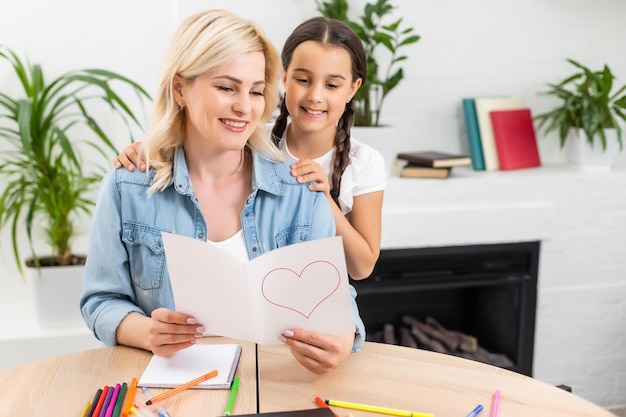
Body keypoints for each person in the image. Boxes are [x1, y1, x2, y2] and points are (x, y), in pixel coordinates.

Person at [80, 9, 364, 375]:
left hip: (280, 388)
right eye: (226, 87)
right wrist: (147, 331)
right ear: (181, 88)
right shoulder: (128, 187)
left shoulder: (301, 192)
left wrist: (340, 338)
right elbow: (101, 300)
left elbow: (337, 299)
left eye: (257, 91)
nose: (245, 107)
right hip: (174, 395)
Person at [114, 16, 385, 280]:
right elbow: (202, 147)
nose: (315, 96)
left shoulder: (364, 162)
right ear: (283, 78)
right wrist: (154, 149)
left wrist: (323, 198)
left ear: (352, 89)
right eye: (303, 80)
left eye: (332, 85)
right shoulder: (249, 139)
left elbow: (362, 267)